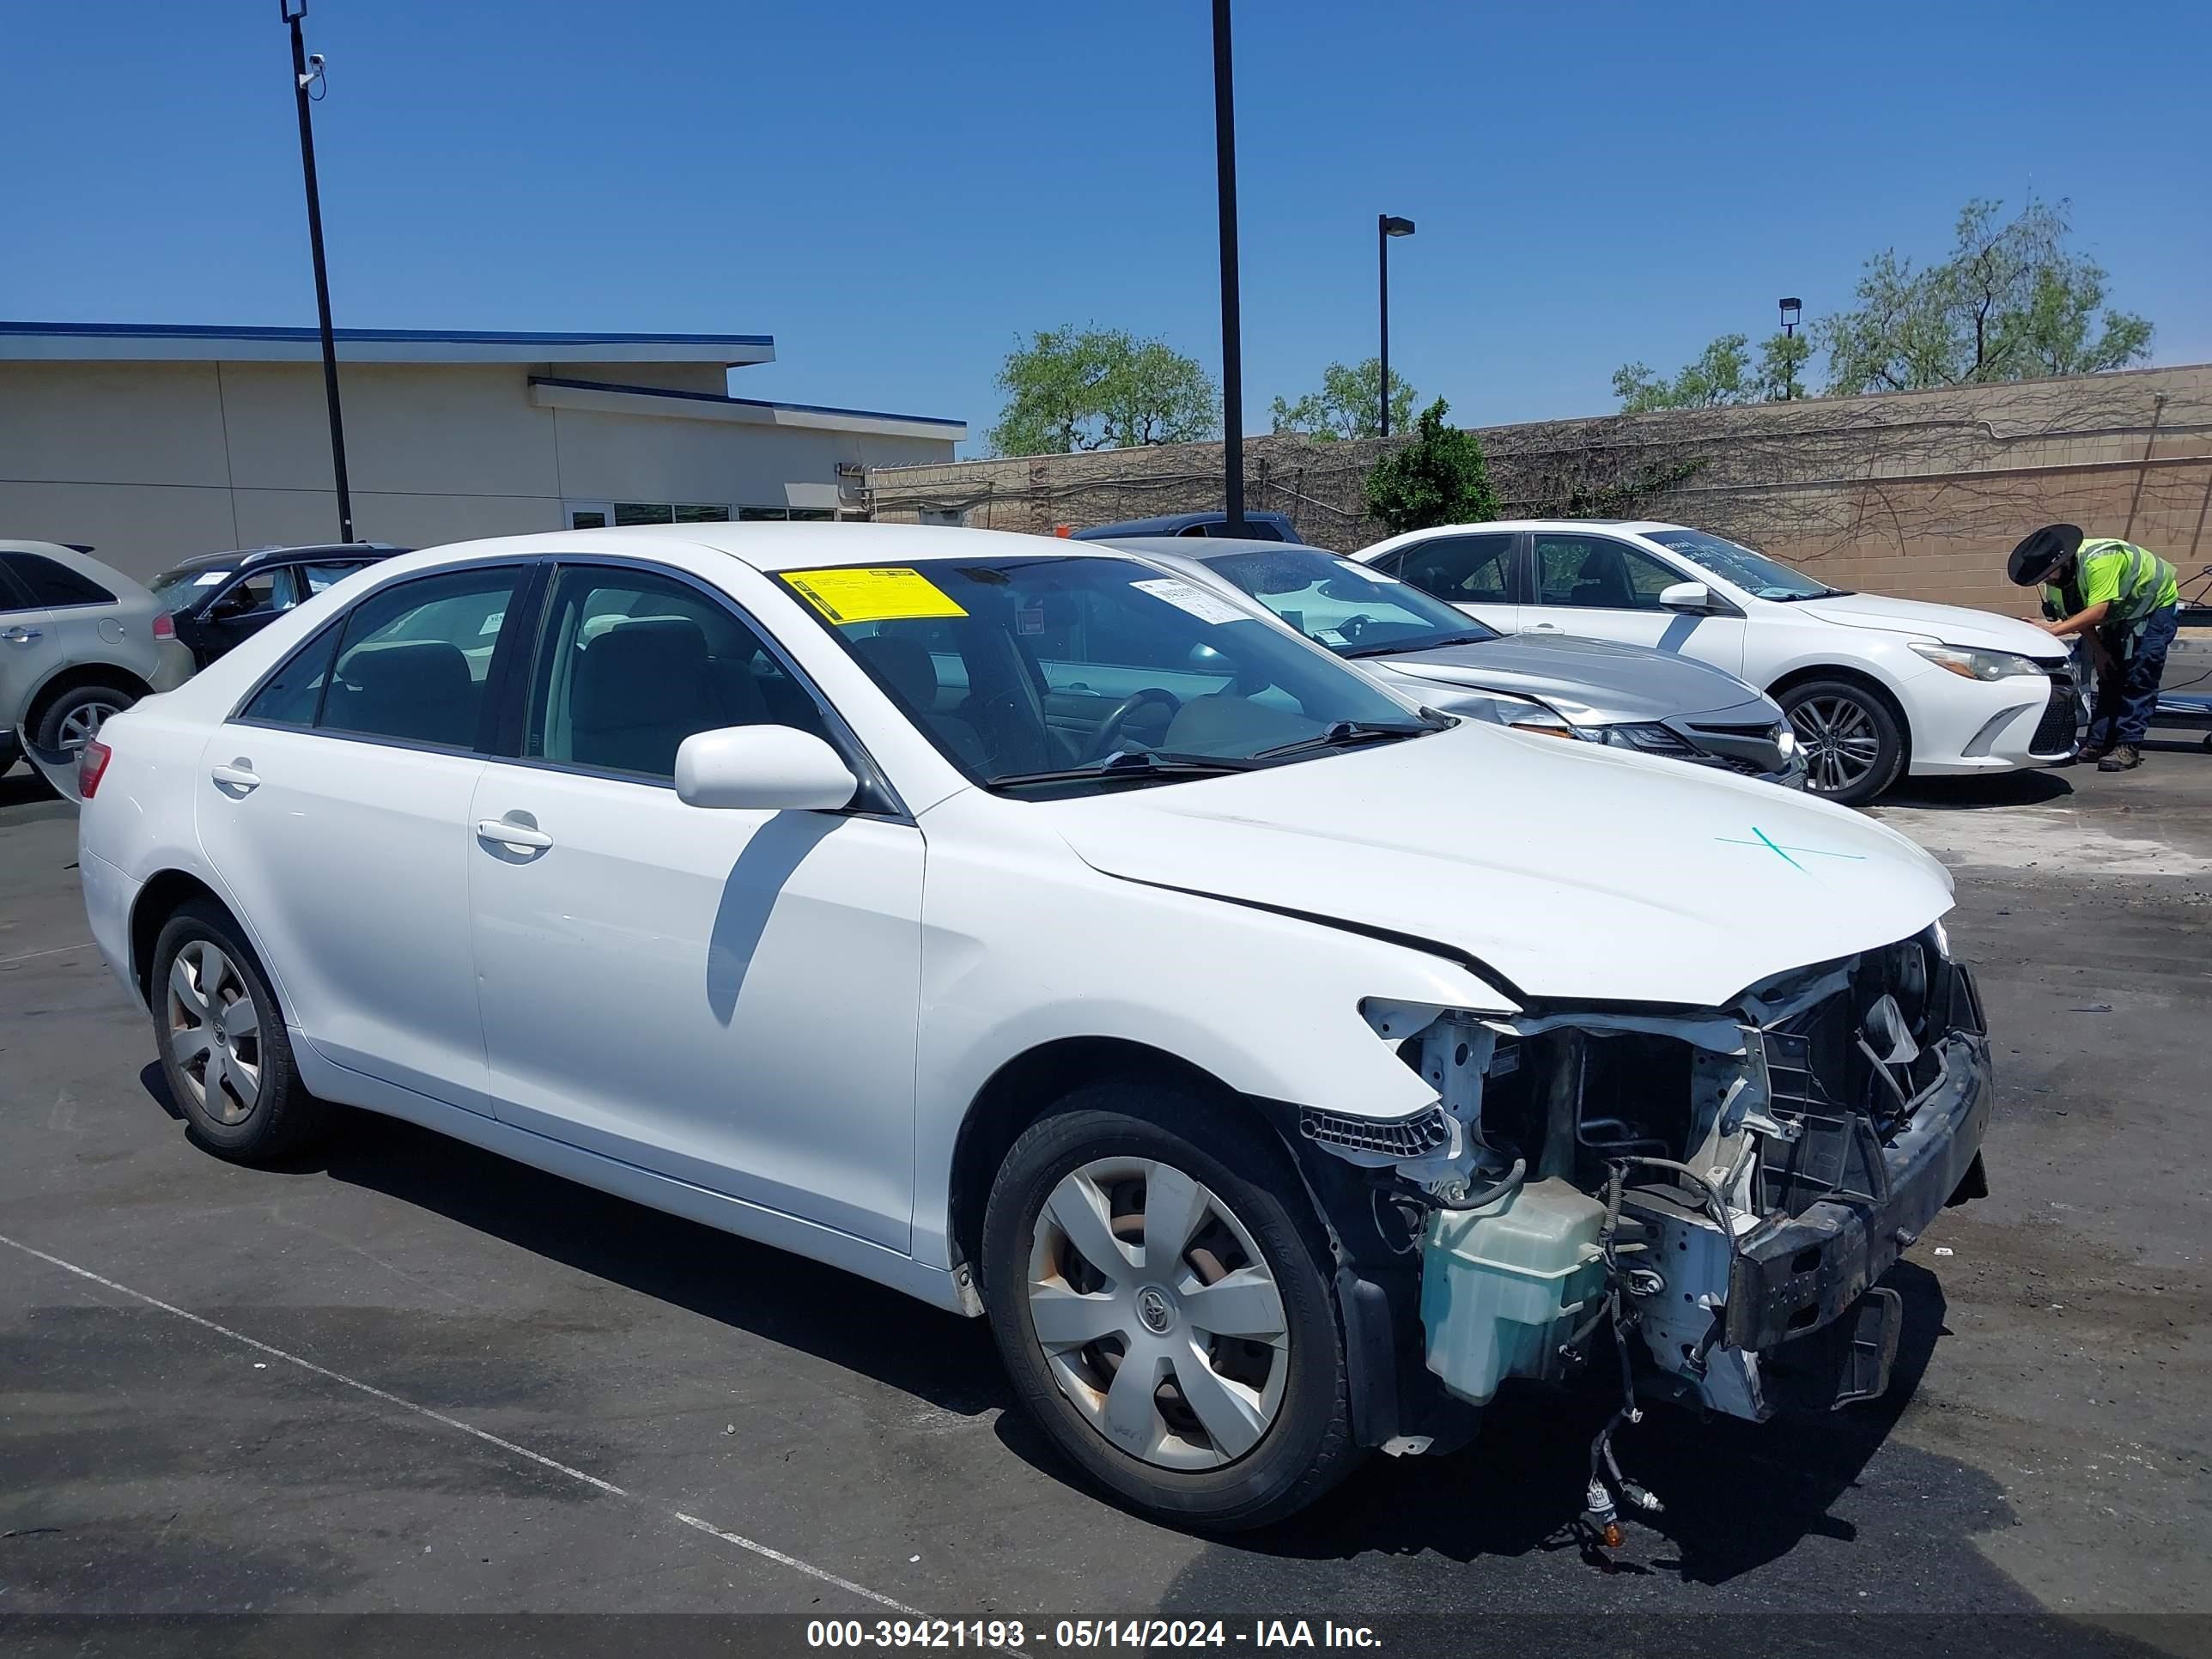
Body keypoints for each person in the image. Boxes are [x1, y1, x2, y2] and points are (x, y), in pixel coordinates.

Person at [2008, 524, 2181, 771]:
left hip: (2153, 605)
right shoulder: (2057, 583)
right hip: (2119, 612)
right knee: (2110, 675)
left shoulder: (2100, 561)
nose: (2048, 580)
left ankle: (2127, 745)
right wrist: (2100, 652)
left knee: (2140, 674)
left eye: (2049, 574)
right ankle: (2098, 742)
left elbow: (2098, 612)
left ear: (2064, 562)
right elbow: (2080, 616)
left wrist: (2054, 630)